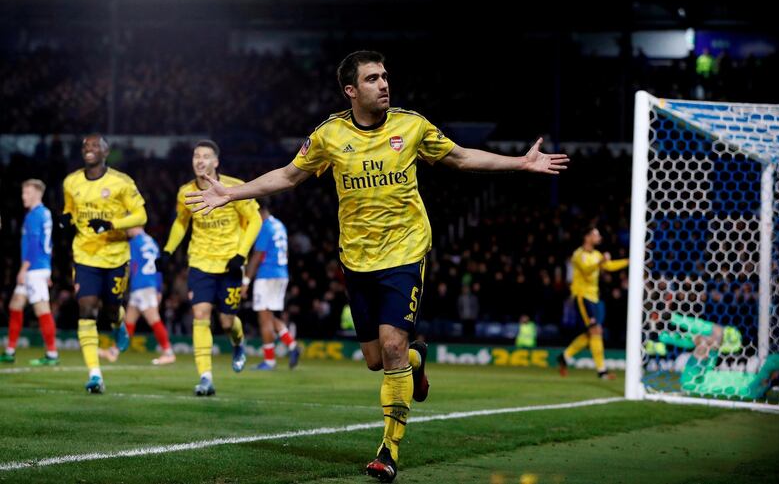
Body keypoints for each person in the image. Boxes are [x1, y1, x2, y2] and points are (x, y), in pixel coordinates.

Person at [184, 50, 569, 482]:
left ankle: (389, 451)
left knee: (390, 349)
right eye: (372, 79)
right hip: (356, 260)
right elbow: (289, 176)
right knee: (375, 360)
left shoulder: (412, 125)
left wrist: (520, 162)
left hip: (405, 252)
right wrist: (233, 194)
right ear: (351, 90)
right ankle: (416, 363)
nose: (384, 84)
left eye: (385, 76)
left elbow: (460, 157)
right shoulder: (329, 135)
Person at [161, 140, 260, 396]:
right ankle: (205, 377)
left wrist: (240, 254)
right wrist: (168, 250)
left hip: (229, 262)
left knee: (227, 322)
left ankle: (238, 343)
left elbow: (255, 219)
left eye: (205, 156)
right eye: (196, 156)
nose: (200, 160)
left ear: (216, 162)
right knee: (201, 315)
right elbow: (181, 223)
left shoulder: (234, 187)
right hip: (200, 261)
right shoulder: (186, 192)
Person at [62, 134, 147, 393]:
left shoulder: (121, 182)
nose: (88, 149)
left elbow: (141, 215)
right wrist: (65, 219)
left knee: (111, 310)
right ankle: (95, 374)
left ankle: (119, 323)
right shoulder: (71, 181)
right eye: (85, 145)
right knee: (87, 309)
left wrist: (112, 224)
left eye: (94, 146)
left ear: (105, 152)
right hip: (85, 255)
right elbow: (70, 211)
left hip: (115, 255)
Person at [0, 179, 58, 366]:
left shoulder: (34, 215)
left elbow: (34, 245)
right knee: (15, 305)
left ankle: (51, 354)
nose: (23, 196)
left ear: (36, 194)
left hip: (33, 269)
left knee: (42, 309)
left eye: (27, 193)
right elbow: (47, 243)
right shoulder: (45, 213)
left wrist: (23, 270)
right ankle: (10, 351)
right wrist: (47, 270)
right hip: (40, 267)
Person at [558, 227, 628, 379]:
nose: (599, 237)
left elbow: (608, 266)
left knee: (591, 333)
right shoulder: (579, 254)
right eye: (596, 234)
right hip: (582, 297)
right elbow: (586, 270)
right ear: (587, 237)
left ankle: (564, 356)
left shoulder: (596, 254)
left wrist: (628, 261)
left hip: (594, 298)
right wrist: (601, 261)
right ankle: (602, 371)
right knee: (596, 330)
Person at [99, 227, 175, 365]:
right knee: (129, 321)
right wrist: (158, 288)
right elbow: (158, 267)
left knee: (153, 319)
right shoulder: (151, 241)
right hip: (149, 284)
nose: (126, 230)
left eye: (128, 227)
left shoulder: (134, 242)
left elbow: (130, 265)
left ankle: (168, 352)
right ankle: (113, 352)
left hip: (141, 284)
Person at [242, 206, 300, 370]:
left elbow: (257, 256)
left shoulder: (265, 227)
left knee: (264, 318)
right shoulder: (279, 225)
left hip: (267, 275)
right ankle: (292, 345)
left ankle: (269, 361)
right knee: (269, 315)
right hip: (281, 274)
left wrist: (246, 281)